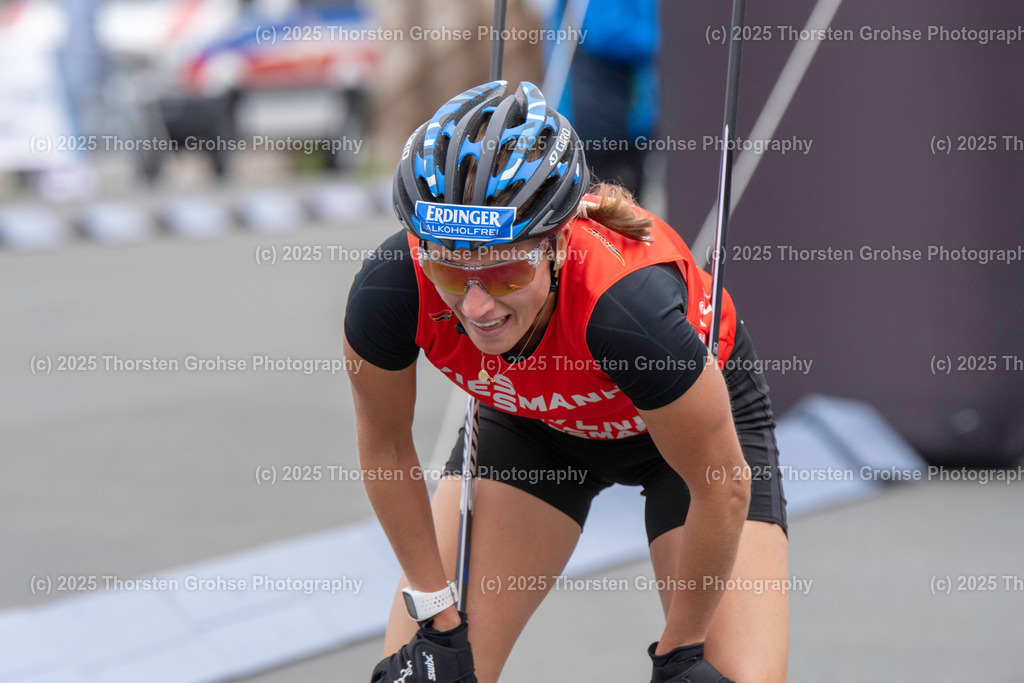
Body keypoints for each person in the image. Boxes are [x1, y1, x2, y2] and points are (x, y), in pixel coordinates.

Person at [343, 80, 788, 683]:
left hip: (680, 448)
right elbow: (386, 447)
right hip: (533, 427)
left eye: (502, 272)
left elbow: (723, 486)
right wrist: (437, 616)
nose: (475, 306)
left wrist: (679, 652)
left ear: (556, 244)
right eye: (449, 267)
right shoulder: (390, 289)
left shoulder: (626, 312)